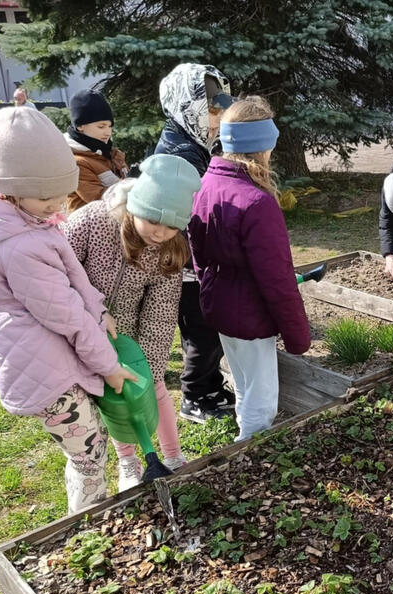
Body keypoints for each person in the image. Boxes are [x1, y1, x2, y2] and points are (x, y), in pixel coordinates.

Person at [0, 107, 135, 514]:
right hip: (45, 372)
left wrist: (98, 308)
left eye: (59, 195)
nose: (55, 207)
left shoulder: (26, 218)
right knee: (88, 454)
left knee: (91, 443)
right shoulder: (19, 249)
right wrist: (108, 366)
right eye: (45, 198)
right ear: (8, 188)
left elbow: (72, 277)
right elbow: (65, 315)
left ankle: (92, 512)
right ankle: (88, 523)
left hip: (54, 357)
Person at [64, 154, 200, 490]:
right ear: (136, 205)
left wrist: (150, 367)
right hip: (84, 328)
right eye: (153, 219)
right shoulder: (92, 221)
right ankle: (128, 462)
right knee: (111, 396)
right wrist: (89, 311)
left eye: (172, 226)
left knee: (152, 390)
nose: (160, 232)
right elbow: (56, 271)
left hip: (132, 333)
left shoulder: (167, 248)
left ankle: (172, 457)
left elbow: (161, 309)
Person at [188, 96, 310, 441]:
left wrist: (211, 291)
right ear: (262, 148)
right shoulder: (257, 202)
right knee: (262, 402)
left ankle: (245, 438)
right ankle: (249, 460)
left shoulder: (207, 184)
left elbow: (197, 252)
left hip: (221, 306)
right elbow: (278, 279)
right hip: (252, 315)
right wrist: (298, 335)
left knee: (243, 385)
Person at [154, 63, 236, 421]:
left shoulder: (193, 144)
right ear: (188, 107)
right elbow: (183, 214)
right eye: (212, 108)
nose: (218, 116)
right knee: (202, 333)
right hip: (185, 262)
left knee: (205, 329)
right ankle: (195, 396)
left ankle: (211, 384)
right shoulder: (180, 155)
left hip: (192, 260)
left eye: (220, 106)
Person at [64, 89, 128, 212]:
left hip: (117, 218)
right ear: (80, 126)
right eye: (101, 126)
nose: (108, 132)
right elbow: (97, 198)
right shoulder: (76, 161)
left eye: (110, 126)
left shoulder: (111, 153)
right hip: (90, 227)